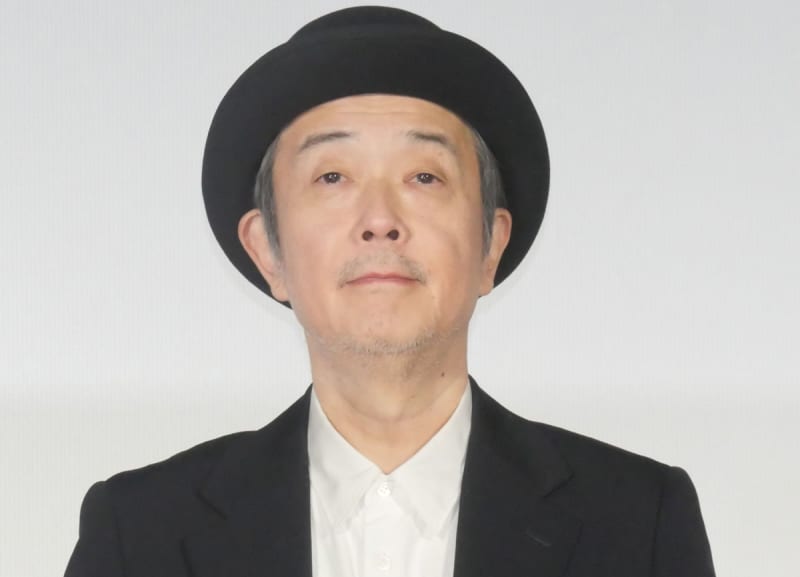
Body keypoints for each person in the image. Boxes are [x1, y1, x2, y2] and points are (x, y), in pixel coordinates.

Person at [64, 6, 715, 577]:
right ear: (268, 251)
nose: (380, 219)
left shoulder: (638, 523)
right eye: (332, 177)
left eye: (425, 176)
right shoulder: (140, 533)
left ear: (490, 244)